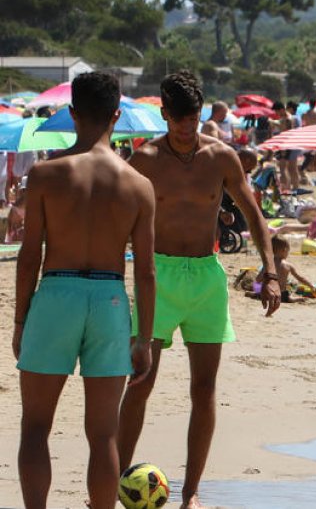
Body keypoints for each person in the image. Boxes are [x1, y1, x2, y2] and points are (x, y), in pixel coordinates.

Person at [118, 71, 280, 509]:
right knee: (140, 381)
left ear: (201, 112)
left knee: (204, 389)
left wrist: (271, 270)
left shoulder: (222, 157)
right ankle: (116, 483)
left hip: (207, 277)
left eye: (193, 117)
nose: (187, 127)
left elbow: (253, 213)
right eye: (178, 119)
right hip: (159, 276)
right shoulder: (145, 159)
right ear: (164, 115)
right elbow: (115, 215)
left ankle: (191, 494)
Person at [14, 72, 157, 509]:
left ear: (71, 114)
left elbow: (29, 255)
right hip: (110, 298)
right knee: (103, 435)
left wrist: (21, 319)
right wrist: (145, 338)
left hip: (57, 292)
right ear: (118, 115)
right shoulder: (139, 185)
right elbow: (147, 272)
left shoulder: (45, 174)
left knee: (37, 426)